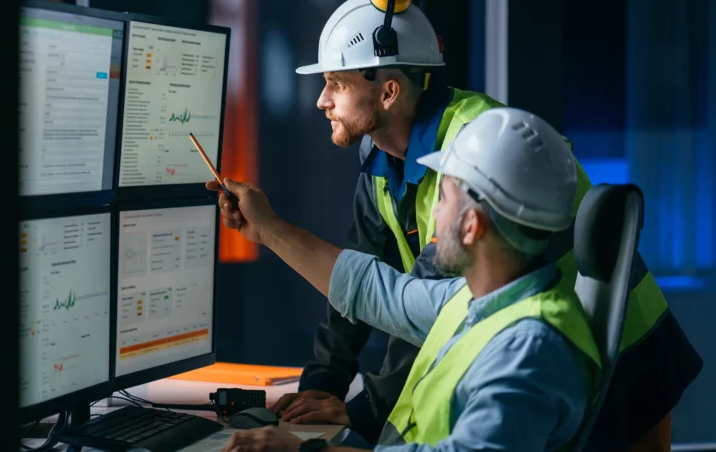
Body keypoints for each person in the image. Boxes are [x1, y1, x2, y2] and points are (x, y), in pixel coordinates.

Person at [272, 0, 702, 450]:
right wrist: (324, 385)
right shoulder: (382, 156)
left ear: (388, 91)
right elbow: (369, 279)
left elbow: (426, 313)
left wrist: (362, 412)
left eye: (336, 83)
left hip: (617, 344)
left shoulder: (477, 152)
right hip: (537, 343)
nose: (321, 100)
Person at [211, 107, 602, 452]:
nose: (433, 217)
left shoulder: (529, 351)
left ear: (471, 226)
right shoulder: (478, 300)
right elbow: (379, 293)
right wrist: (268, 230)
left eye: (443, 200)